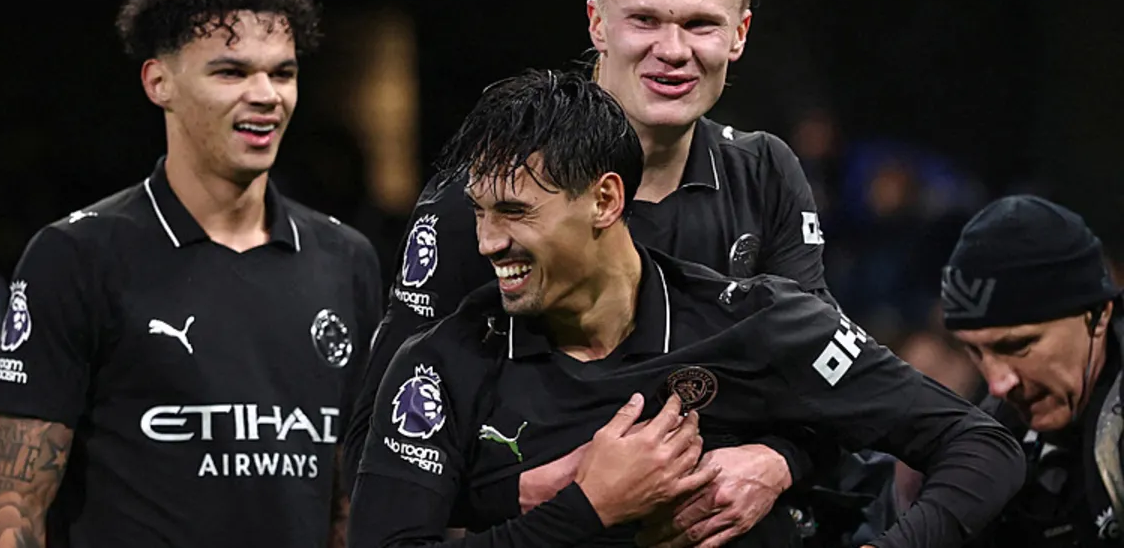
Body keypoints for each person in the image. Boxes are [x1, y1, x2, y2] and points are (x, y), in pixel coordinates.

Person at [347, 68, 1025, 548]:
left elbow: (980, 444)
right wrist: (588, 506)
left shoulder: (754, 323)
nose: (488, 242)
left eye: (515, 212)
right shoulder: (442, 363)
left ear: (605, 201)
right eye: (480, 212)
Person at [346, 0, 848, 547]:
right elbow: (374, 453)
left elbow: (830, 384)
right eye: (645, 20)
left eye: (700, 24)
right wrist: (540, 492)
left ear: (739, 34)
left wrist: (778, 462)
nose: (673, 51)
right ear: (597, 23)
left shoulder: (764, 173)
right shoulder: (486, 199)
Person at [0, 0, 382, 547]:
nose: (266, 94)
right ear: (159, 82)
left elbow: (349, 503)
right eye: (231, 72)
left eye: (282, 73)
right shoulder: (76, 256)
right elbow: (14, 508)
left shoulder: (346, 260)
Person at [940, 195, 1124, 546]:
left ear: (1098, 316)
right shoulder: (987, 448)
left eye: (1018, 346)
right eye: (975, 351)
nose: (997, 384)